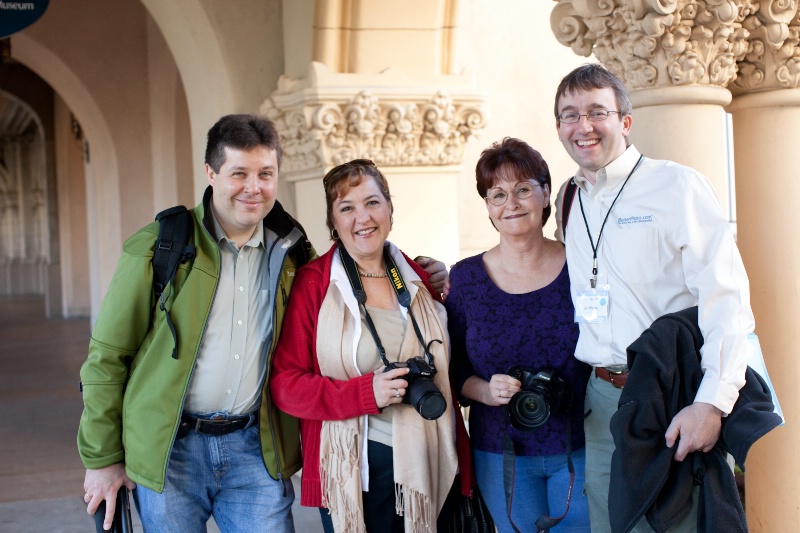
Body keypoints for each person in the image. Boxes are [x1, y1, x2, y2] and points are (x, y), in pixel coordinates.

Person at [77, 115, 448, 532]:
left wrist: (424, 274)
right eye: (239, 173)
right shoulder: (159, 247)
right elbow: (107, 358)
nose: (253, 188)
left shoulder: (292, 254)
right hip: (171, 449)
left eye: (265, 174)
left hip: (254, 449)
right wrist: (102, 459)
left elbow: (355, 271)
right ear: (211, 173)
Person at [552, 64, 755, 532]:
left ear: (625, 121)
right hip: (601, 401)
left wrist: (712, 403)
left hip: (670, 397)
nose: (583, 126)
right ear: (559, 127)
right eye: (569, 115)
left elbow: (726, 300)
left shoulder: (676, 186)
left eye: (596, 112)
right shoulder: (570, 197)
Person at [270, 159, 461, 533]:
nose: (363, 218)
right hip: (355, 473)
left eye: (372, 202)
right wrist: (364, 393)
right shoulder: (315, 285)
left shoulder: (415, 275)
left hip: (427, 461)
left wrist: (450, 292)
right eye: (347, 208)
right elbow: (285, 385)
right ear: (333, 222)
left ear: (390, 208)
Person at [445, 138, 591, 532]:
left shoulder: (582, 266)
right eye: (498, 194)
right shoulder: (466, 278)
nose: (511, 203)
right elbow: (452, 367)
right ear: (489, 208)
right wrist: (486, 391)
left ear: (545, 194)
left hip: (579, 442)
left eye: (523, 189)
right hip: (499, 450)